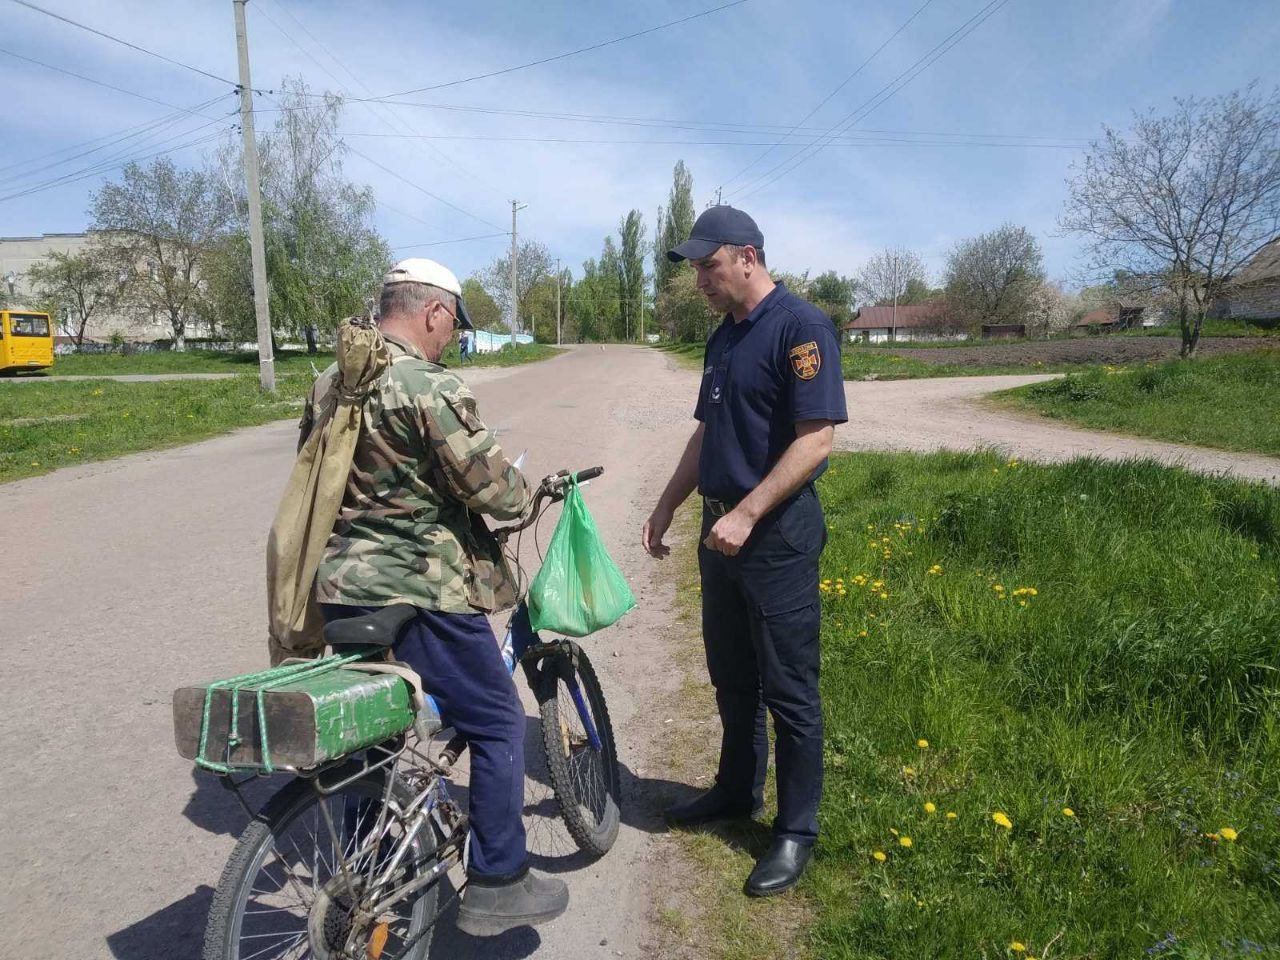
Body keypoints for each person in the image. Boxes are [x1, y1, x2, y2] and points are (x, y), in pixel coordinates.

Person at [298, 257, 568, 936]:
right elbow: (489, 488)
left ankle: (372, 865)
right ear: (434, 313)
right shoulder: (425, 383)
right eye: (454, 324)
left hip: (341, 588)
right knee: (500, 722)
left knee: (378, 736)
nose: (451, 337)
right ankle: (500, 880)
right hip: (419, 588)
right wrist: (528, 490)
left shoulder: (332, 382)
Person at [642, 207, 847, 897]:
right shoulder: (722, 339)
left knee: (789, 689)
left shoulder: (801, 326)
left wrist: (751, 511)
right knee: (732, 676)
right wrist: (669, 502)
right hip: (718, 532)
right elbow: (707, 434)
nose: (699, 278)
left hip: (776, 537)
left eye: (709, 265)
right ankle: (735, 791)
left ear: (749, 257)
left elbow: (815, 441)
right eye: (697, 267)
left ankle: (794, 832)